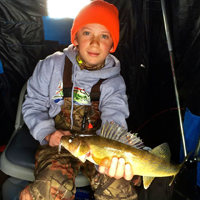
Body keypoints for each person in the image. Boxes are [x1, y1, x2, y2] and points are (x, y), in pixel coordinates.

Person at [20, 1, 140, 199]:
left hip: (98, 149)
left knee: (119, 188)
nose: (94, 42)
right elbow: (33, 105)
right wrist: (48, 133)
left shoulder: (114, 82)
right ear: (75, 36)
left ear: (112, 44)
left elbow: (114, 119)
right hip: (57, 145)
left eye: (104, 35)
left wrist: (111, 158)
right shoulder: (51, 66)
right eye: (87, 33)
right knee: (48, 188)